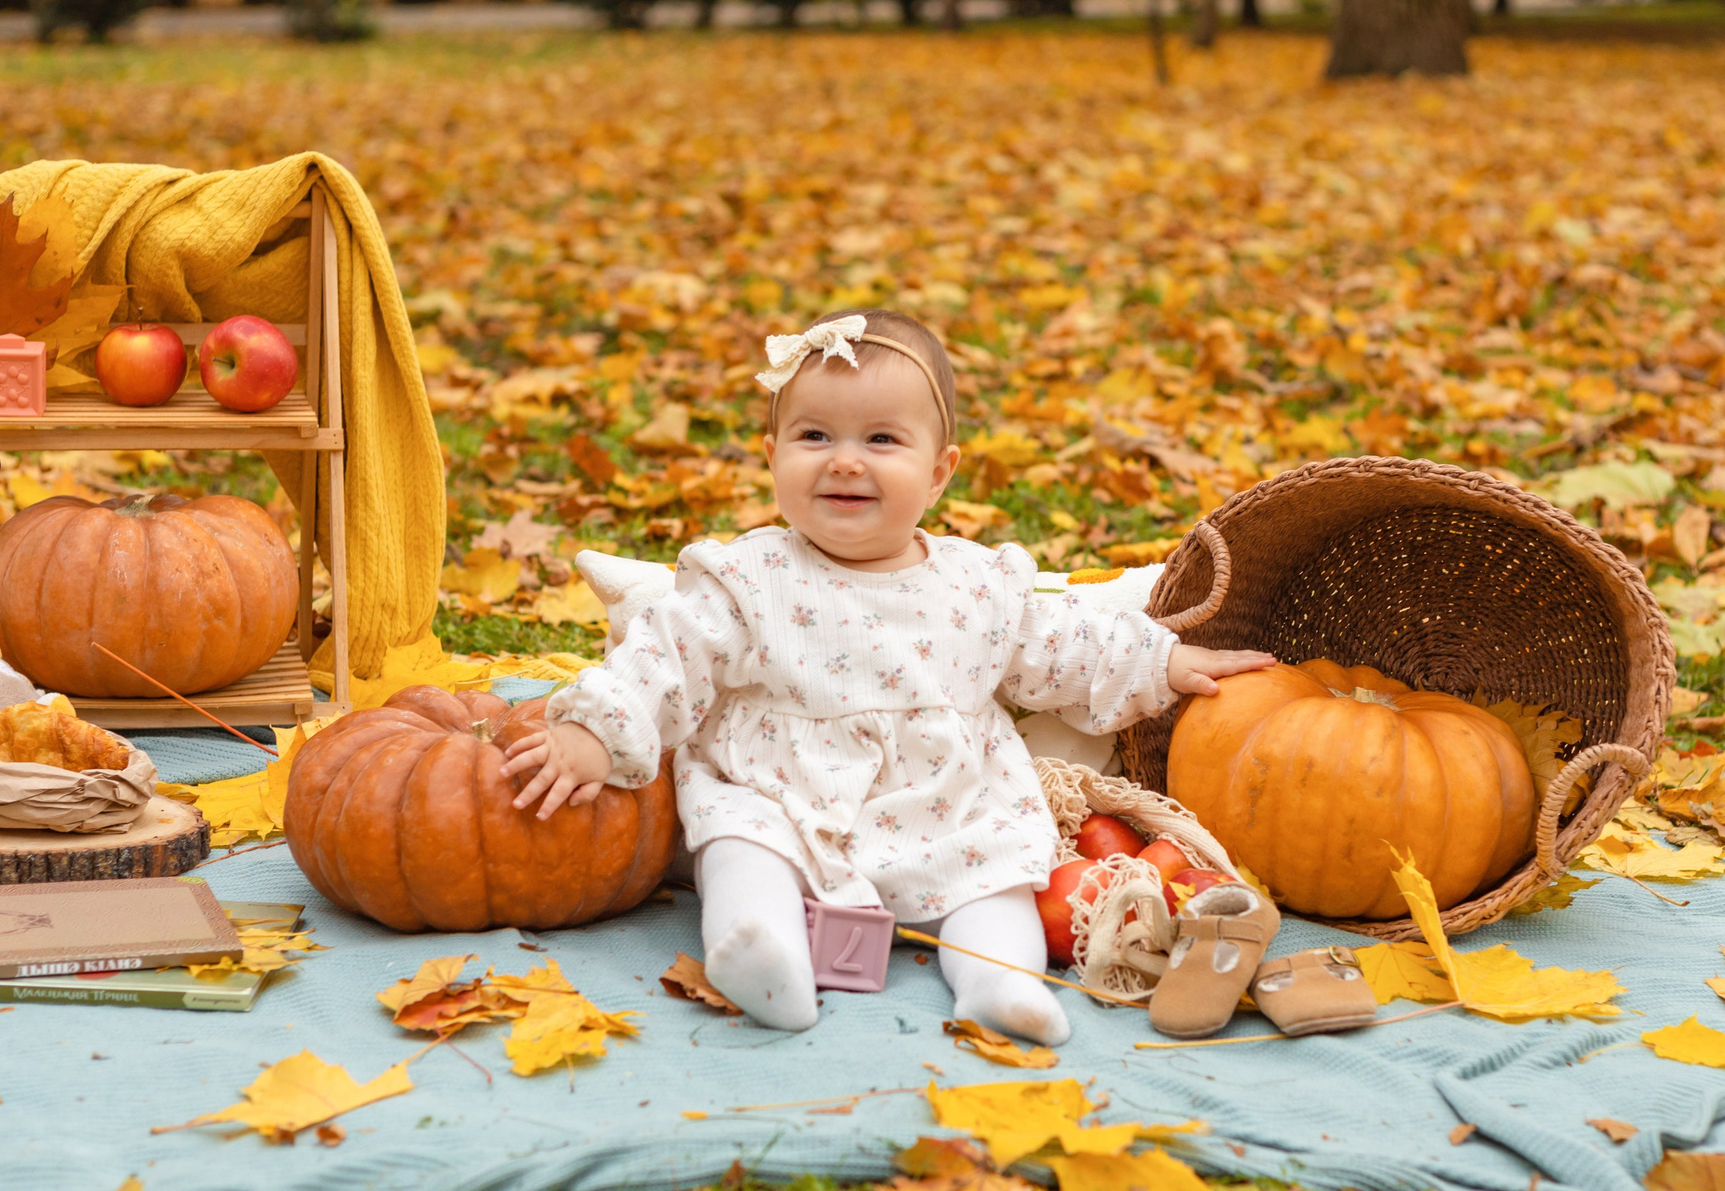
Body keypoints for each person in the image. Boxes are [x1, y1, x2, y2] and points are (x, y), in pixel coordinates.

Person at [503, 309, 1273, 1043]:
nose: (845, 458)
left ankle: (999, 978)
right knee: (739, 841)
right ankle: (757, 946)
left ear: (938, 473)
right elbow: (668, 653)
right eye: (813, 434)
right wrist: (597, 730)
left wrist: (1161, 661)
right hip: (780, 784)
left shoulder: (980, 584)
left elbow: (1063, 642)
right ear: (772, 456)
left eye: (880, 438)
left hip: (942, 797)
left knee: (996, 874)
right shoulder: (748, 575)